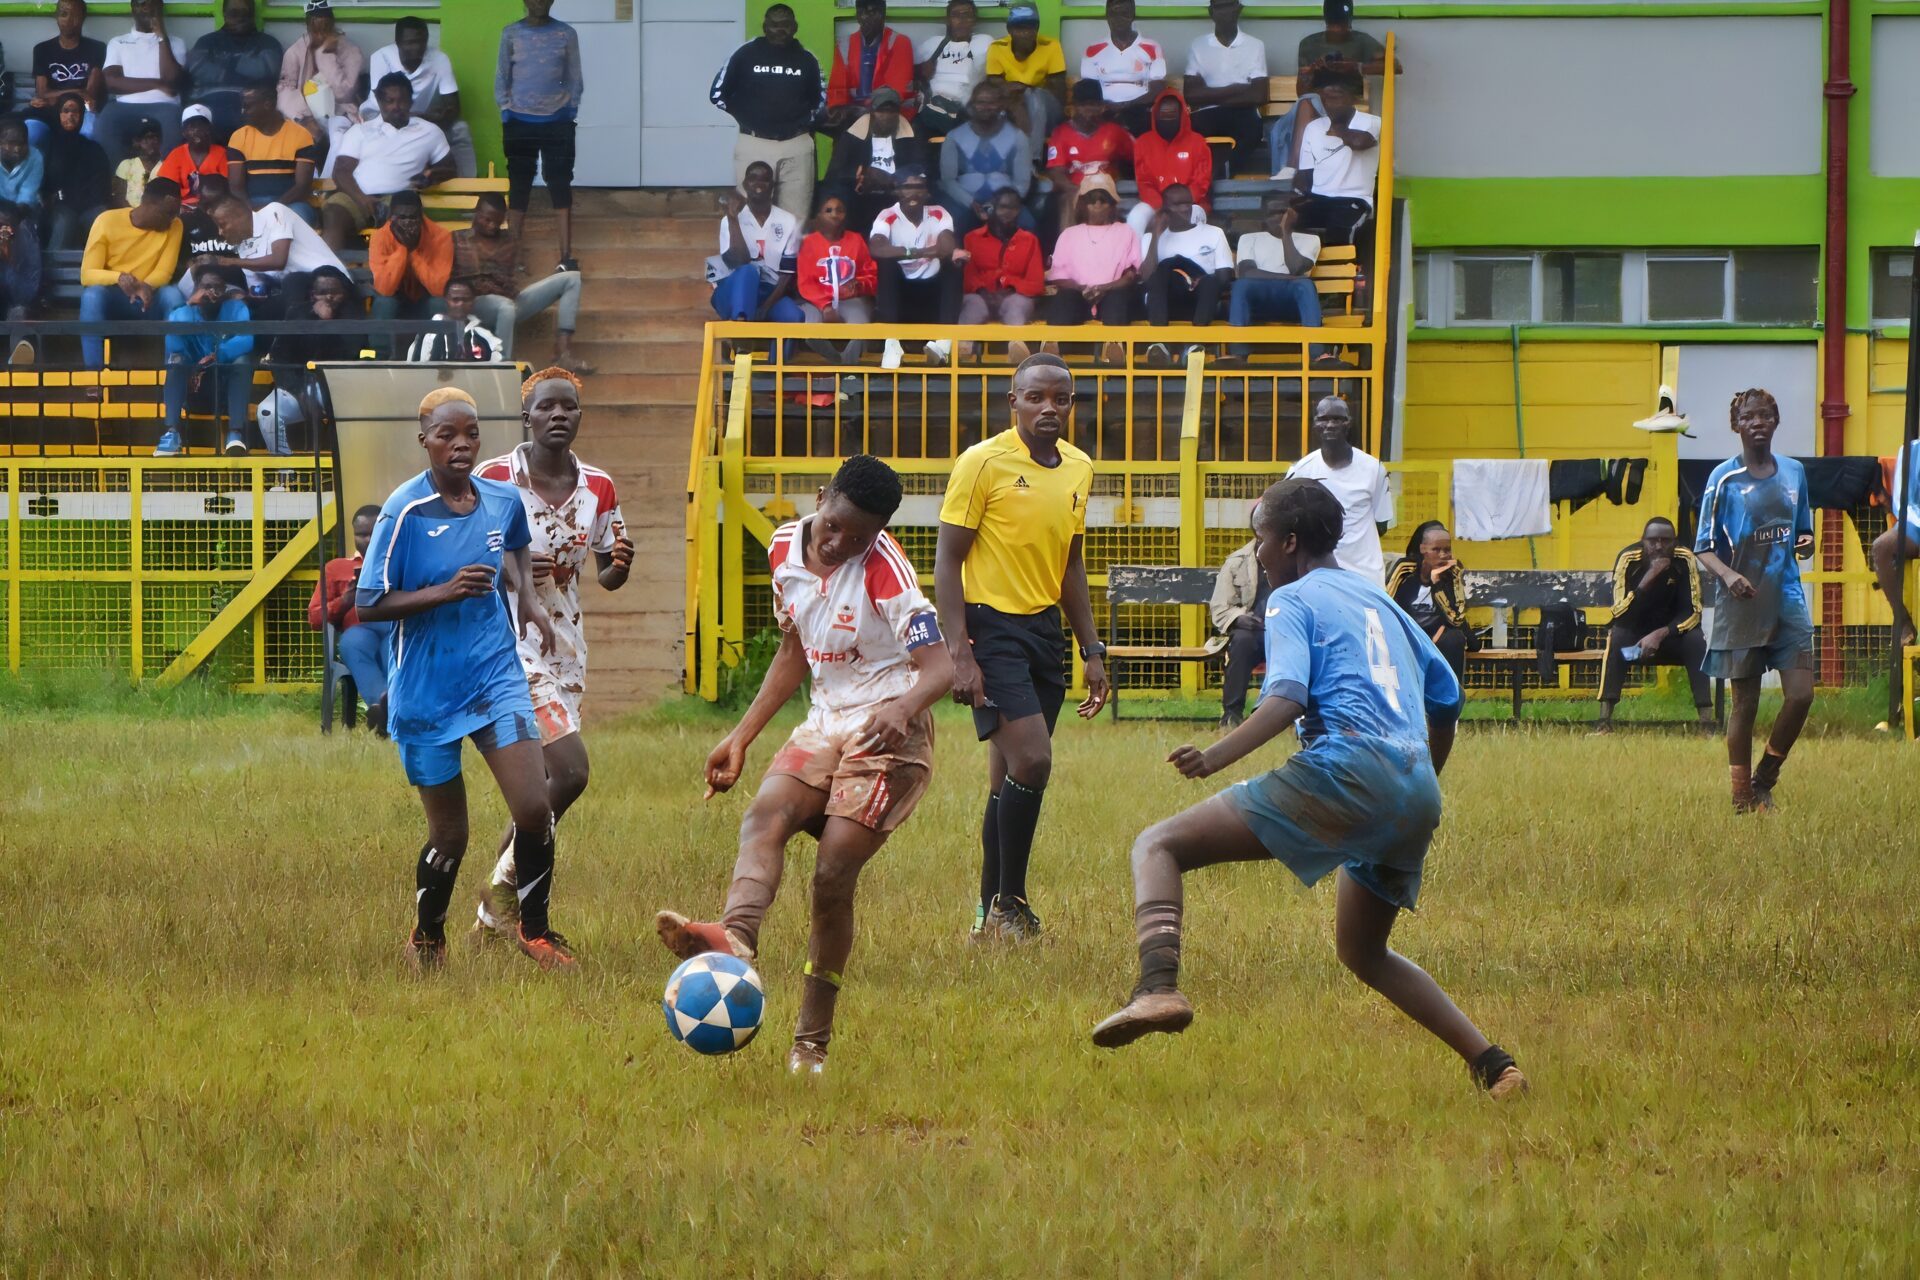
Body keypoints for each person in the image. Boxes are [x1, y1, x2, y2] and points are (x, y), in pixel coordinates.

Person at [1088, 477, 1530, 1102]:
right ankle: (1495, 1065)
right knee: (1363, 951)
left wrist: (1214, 756)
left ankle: (1156, 988)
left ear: (1289, 543)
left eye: (1261, 539)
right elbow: (1447, 699)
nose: (1257, 552)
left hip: (1347, 768)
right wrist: (1421, 778)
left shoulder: (1289, 600)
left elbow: (1287, 695)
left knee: (1159, 845)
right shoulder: (1382, 601)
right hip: (1415, 788)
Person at [659, 455, 952, 1074]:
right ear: (821, 497)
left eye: (860, 536)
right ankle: (734, 941)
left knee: (830, 874)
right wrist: (741, 736)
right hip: (825, 721)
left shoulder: (884, 571)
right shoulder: (783, 548)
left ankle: (810, 1043)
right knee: (765, 816)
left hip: (888, 731)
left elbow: (941, 670)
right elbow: (795, 648)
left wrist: (903, 706)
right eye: (835, 525)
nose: (841, 542)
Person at [353, 386, 571, 973]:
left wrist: (527, 599)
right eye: (447, 435)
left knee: (533, 808)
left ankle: (534, 930)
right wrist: (443, 592)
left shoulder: (501, 500)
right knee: (450, 835)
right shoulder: (404, 511)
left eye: (471, 433)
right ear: (423, 439)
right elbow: (368, 601)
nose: (461, 445)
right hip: (426, 692)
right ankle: (427, 937)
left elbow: (518, 548)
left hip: (494, 674)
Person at [936, 353, 1108, 941]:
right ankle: (1013, 901)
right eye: (1036, 398)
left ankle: (987, 917)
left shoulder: (1079, 467)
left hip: (1043, 632)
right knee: (1033, 760)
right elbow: (948, 560)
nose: (1049, 409)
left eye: (1060, 399)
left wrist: (1091, 648)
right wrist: (960, 653)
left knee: (1007, 776)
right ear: (1014, 403)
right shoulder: (982, 462)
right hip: (990, 629)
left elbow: (1072, 564)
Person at [472, 370, 634, 945]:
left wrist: (620, 564)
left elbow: (607, 573)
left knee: (538, 792)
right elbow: (465, 555)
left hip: (565, 642)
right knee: (571, 771)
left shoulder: (600, 488)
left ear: (579, 419)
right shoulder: (492, 478)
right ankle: (510, 907)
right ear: (528, 417)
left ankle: (494, 914)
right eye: (547, 407)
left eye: (569, 407)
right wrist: (511, 570)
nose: (558, 415)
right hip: (506, 640)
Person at [1694, 388, 1816, 813]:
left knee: (1801, 695)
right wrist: (1728, 576)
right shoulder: (1722, 479)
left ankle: (1766, 778)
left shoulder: (1795, 472)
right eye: (1748, 417)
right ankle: (1742, 798)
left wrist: (1805, 544)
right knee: (1745, 703)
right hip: (1741, 606)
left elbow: (1803, 530)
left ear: (1776, 422)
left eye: (1765, 415)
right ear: (1737, 426)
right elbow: (1703, 546)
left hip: (1787, 603)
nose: (1757, 422)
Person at [1595, 516, 1712, 733]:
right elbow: (1619, 614)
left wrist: (1660, 634)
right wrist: (1649, 576)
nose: (1659, 546)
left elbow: (1693, 612)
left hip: (1672, 645)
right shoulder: (1628, 559)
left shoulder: (1684, 559)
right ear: (1643, 540)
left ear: (1675, 542)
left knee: (1696, 641)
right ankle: (1604, 721)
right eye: (1653, 540)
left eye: (1665, 540)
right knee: (1618, 637)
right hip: (1634, 650)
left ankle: (1706, 723)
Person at [710, 4, 825, 223]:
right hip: (754, 143)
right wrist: (746, 116)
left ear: (795, 28)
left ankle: (788, 258)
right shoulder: (745, 54)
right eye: (774, 25)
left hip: (796, 145)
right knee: (750, 217)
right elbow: (717, 93)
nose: (779, 30)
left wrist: (801, 121)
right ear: (765, 26)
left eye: (785, 25)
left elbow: (820, 101)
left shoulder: (807, 59)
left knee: (796, 221)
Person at [454, 191, 589, 371]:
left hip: (506, 300)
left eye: (497, 222)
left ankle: (562, 353)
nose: (492, 226)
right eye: (487, 219)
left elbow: (508, 282)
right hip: (474, 304)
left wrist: (500, 286)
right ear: (476, 213)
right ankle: (502, 368)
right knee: (506, 307)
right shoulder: (457, 239)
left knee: (571, 279)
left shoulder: (509, 241)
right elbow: (455, 284)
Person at [496, 0, 583, 272]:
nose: (538, 3)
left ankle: (565, 256)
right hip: (519, 121)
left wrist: (569, 109)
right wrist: (506, 109)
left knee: (560, 184)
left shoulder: (565, 34)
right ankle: (513, 255)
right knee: (519, 185)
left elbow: (574, 77)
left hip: (558, 121)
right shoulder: (510, 34)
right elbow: (502, 76)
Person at [323, 72, 452, 250]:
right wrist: (362, 199)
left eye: (402, 101)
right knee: (334, 213)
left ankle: (396, 274)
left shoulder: (429, 131)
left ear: (411, 101)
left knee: (405, 217)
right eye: (389, 101)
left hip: (400, 200)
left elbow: (450, 167)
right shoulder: (360, 131)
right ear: (379, 101)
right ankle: (330, 272)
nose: (396, 107)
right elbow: (341, 172)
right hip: (357, 195)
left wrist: (431, 175)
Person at [1272, 0, 1395, 178]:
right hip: (1316, 102)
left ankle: (1293, 169)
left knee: (1305, 104)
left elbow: (1395, 66)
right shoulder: (1310, 44)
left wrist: (1355, 66)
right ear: (1327, 23)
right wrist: (1314, 70)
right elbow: (1302, 91)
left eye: (1342, 26)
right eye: (1334, 26)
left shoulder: (1361, 41)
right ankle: (1294, 172)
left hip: (1344, 104)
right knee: (1305, 103)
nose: (1338, 30)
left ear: (1349, 23)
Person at [78, 175, 184, 369]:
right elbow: (87, 275)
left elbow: (165, 271)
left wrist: (145, 286)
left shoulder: (175, 226)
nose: (172, 219)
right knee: (92, 296)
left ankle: (175, 373)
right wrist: (119, 278)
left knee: (173, 295)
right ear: (150, 204)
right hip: (116, 299)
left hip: (149, 299)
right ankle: (93, 377)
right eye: (168, 213)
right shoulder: (107, 220)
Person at [257, 264, 362, 455]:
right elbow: (280, 357)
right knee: (267, 412)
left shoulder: (353, 314)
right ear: (313, 294)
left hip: (338, 387)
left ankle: (342, 465)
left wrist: (327, 325)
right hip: (298, 385)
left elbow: (351, 353)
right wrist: (298, 390)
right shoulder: (297, 313)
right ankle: (285, 472)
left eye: (334, 292)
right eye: (323, 292)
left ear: (344, 294)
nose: (329, 297)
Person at [352, 18, 475, 180]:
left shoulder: (439, 59)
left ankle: (468, 186)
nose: (416, 48)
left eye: (421, 42)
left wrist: (426, 119)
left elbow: (453, 107)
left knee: (460, 129)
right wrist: (420, 119)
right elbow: (384, 105)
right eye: (409, 43)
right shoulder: (381, 58)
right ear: (398, 42)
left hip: (421, 118)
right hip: (379, 116)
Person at [1286, 396, 1391, 582]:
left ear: (1348, 423)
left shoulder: (1374, 469)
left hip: (1365, 576)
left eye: (1337, 419)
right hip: (1318, 577)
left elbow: (1381, 524)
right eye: (1323, 419)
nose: (1330, 425)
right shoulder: (1301, 471)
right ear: (1314, 425)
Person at [154, 261, 252, 457]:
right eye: (206, 287)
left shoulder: (236, 308)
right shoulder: (184, 311)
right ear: (196, 290)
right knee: (176, 361)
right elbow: (174, 345)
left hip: (224, 386)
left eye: (217, 287)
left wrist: (220, 354)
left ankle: (235, 435)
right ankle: (171, 434)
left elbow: (246, 341)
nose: (212, 292)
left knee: (243, 361)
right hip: (193, 387)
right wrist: (190, 304)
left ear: (225, 290)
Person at [309, 503, 391, 736]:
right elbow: (315, 617)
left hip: (392, 627)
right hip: (358, 629)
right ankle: (383, 705)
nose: (367, 540)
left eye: (374, 534)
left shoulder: (400, 562)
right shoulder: (336, 568)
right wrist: (345, 600)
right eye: (361, 534)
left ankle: (388, 708)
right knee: (353, 642)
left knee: (394, 647)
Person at [867, 169, 960, 368]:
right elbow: (877, 248)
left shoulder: (938, 212)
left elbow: (946, 247)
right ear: (897, 192)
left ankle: (944, 343)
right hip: (902, 293)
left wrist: (901, 252)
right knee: (887, 266)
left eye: (919, 188)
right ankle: (891, 344)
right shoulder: (887, 215)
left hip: (932, 291)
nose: (913, 193)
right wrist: (920, 252)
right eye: (907, 187)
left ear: (927, 192)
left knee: (953, 265)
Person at [1045, 172, 1138, 362]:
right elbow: (1058, 276)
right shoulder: (1069, 234)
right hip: (1079, 294)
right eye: (1091, 200)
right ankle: (1052, 349)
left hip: (1111, 292)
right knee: (1064, 299)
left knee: (1118, 298)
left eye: (1103, 200)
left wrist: (1104, 288)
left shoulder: (1126, 231)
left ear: (1112, 204)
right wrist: (1082, 289)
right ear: (1082, 204)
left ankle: (1114, 347)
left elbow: (1130, 275)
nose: (1097, 205)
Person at [206, 189, 343, 318]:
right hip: (299, 295)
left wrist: (230, 262)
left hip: (330, 280)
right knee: (260, 314)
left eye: (222, 224)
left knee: (293, 281)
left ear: (239, 216)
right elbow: (257, 289)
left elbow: (279, 261)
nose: (220, 232)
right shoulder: (243, 248)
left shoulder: (274, 212)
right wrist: (243, 296)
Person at [1223, 191, 1324, 365]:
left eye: (1283, 212)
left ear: (1293, 214)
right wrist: (1291, 278)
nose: (1278, 218)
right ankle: (1238, 355)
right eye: (1272, 214)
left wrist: (1286, 233)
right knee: (1242, 285)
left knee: (1305, 286)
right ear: (1263, 217)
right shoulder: (1249, 239)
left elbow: (1296, 267)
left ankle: (1317, 355)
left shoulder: (1310, 240)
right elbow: (1247, 273)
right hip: (1257, 306)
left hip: (1294, 307)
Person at [1291, 67, 1379, 264]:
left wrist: (1337, 128)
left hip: (1354, 199)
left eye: (1336, 97)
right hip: (1319, 198)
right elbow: (1305, 173)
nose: (1330, 104)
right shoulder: (1314, 128)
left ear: (1353, 97)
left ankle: (1338, 285)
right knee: (1291, 224)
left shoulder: (1372, 122)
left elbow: (1360, 143)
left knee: (1340, 231)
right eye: (1325, 98)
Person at [956, 186, 1043, 363]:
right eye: (1003, 207)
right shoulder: (972, 238)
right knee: (972, 303)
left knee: (1017, 305)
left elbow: (1036, 283)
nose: (1008, 213)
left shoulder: (1029, 240)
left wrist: (1010, 286)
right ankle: (962, 353)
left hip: (1013, 297)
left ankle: (1017, 355)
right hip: (981, 296)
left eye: (1014, 208)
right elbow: (968, 278)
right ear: (992, 208)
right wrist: (983, 291)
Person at [710, 161, 801, 326]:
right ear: (744, 185)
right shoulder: (728, 221)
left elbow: (787, 274)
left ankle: (780, 353)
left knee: (794, 317)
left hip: (768, 293)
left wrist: (766, 307)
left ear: (772, 185)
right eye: (753, 179)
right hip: (732, 292)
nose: (758, 184)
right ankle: (742, 334)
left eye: (765, 179)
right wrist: (733, 219)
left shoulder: (788, 221)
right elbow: (737, 261)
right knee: (748, 272)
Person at [1139, 183, 1232, 346]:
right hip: (1166, 300)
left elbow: (1224, 277)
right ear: (1165, 208)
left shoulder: (1214, 233)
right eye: (1177, 204)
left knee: (1210, 282)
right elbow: (1146, 278)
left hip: (1201, 297)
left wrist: (1201, 279)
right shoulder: (1149, 238)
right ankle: (1159, 343)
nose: (1185, 209)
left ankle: (1197, 344)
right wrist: (1156, 234)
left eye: (1188, 203)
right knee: (1161, 273)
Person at [824, 86, 926, 233]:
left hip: (896, 189)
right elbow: (836, 170)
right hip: (861, 189)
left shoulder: (909, 132)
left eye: (891, 112)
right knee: (839, 193)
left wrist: (893, 178)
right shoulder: (854, 133)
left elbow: (920, 165)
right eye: (881, 111)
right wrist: (863, 173)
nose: (886, 116)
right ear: (871, 111)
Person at [1183, 0, 1267, 175]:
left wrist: (1209, 94)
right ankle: (1193, 175)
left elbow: (1259, 95)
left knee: (1253, 129)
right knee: (1186, 129)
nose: (1225, 12)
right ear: (1210, 12)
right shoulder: (1198, 45)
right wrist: (1235, 89)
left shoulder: (1255, 45)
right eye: (1219, 6)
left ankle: (1223, 171)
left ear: (1239, 9)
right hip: (1208, 113)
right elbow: (1190, 95)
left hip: (1243, 113)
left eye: (1229, 5)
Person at [277, 0, 365, 166]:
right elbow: (284, 89)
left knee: (339, 141)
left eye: (325, 25)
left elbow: (344, 93)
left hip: (340, 114)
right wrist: (305, 118)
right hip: (303, 115)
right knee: (300, 141)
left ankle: (328, 186)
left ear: (332, 23)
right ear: (307, 24)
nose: (319, 31)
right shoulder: (295, 51)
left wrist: (324, 52)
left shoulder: (351, 51)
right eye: (314, 25)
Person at [938, 80, 1030, 237]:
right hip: (963, 201)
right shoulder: (954, 137)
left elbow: (1022, 182)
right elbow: (948, 180)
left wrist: (1004, 204)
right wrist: (970, 202)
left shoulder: (1017, 136)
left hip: (1006, 202)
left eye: (991, 102)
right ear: (972, 105)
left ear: (1001, 105)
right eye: (980, 102)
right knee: (951, 224)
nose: (985, 107)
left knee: (1028, 224)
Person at [99, 0, 187, 164]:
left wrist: (161, 36)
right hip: (123, 105)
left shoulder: (176, 42)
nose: (146, 8)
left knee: (174, 122)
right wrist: (157, 84)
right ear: (133, 8)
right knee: (106, 120)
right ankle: (115, 181)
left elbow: (172, 82)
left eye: (151, 3)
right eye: (141, 3)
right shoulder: (118, 42)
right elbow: (111, 82)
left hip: (165, 106)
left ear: (160, 7)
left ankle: (167, 180)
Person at [1386, 520, 1473, 684]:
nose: (1442, 555)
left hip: (1440, 632)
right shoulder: (1405, 570)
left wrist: (1437, 583)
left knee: (1454, 639)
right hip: (1409, 631)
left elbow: (1457, 618)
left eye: (1447, 550)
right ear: (1422, 549)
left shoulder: (1454, 572)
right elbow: (1386, 602)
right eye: (1436, 550)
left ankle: (1449, 698)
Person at [794, 192, 876, 365]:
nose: (834, 214)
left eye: (840, 210)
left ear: (845, 216)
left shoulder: (856, 240)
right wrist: (825, 306)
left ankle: (847, 366)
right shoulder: (808, 243)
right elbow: (805, 281)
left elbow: (870, 273)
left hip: (849, 299)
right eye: (828, 210)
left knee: (861, 326)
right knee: (810, 329)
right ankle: (838, 361)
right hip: (816, 301)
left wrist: (860, 285)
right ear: (818, 217)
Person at [1044, 79, 1133, 233]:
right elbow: (1056, 172)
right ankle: (1068, 251)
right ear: (1074, 107)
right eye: (1084, 105)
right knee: (1067, 200)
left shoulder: (1114, 131)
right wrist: (1078, 191)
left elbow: (1138, 157)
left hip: (1107, 190)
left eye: (1094, 105)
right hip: (1075, 191)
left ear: (1101, 107)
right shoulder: (1061, 133)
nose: (1089, 110)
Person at [185, 0, 281, 142]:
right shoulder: (206, 42)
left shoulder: (268, 43)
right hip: (211, 105)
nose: (240, 17)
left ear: (253, 15)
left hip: (251, 106)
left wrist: (223, 66)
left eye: (245, 13)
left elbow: (267, 72)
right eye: (234, 13)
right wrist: (242, 67)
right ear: (224, 14)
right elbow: (197, 71)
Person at [369, 188, 450, 351]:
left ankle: (440, 353)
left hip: (425, 300)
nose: (407, 223)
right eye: (401, 217)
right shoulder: (380, 237)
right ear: (391, 217)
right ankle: (381, 358)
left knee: (439, 303)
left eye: (413, 217)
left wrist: (413, 254)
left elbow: (439, 289)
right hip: (395, 300)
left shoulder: (441, 237)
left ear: (421, 217)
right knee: (384, 303)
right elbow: (385, 289)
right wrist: (403, 249)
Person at [984, 3, 1066, 164]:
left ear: (1036, 29)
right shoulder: (997, 48)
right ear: (1010, 30)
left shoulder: (1051, 46)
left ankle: (1032, 161)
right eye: (1019, 28)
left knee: (1033, 96)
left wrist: (1024, 90)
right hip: (1013, 106)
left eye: (1030, 28)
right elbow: (995, 88)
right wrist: (1017, 98)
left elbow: (1058, 92)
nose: (1025, 33)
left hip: (1048, 111)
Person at [227, 82, 318, 224]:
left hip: (290, 204)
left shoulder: (301, 135)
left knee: (298, 218)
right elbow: (236, 187)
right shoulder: (238, 137)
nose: (243, 111)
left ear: (267, 104)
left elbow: (302, 187)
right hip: (251, 204)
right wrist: (250, 209)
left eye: (248, 106)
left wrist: (271, 208)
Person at [1126, 89, 1211, 236]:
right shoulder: (1143, 143)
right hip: (1156, 205)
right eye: (1163, 115)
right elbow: (1144, 182)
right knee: (1137, 215)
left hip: (1191, 204)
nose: (1167, 119)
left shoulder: (1197, 142)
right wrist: (1161, 206)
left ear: (1182, 115)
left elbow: (1201, 182)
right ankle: (1137, 258)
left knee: (1195, 217)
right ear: (1155, 115)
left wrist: (1179, 204)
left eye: (1172, 115)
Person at [825, 0, 916, 133]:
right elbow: (837, 89)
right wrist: (839, 111)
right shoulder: (845, 44)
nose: (868, 17)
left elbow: (897, 92)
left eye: (874, 12)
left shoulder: (900, 42)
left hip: (890, 113)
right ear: (857, 15)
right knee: (824, 118)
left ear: (883, 14)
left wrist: (865, 111)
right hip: (853, 113)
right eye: (863, 12)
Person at [26, 0, 106, 147]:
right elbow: (42, 94)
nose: (69, 20)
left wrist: (56, 95)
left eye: (75, 15)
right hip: (49, 111)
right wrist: (77, 91)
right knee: (32, 132)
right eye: (64, 14)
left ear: (83, 18)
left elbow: (90, 94)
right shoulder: (42, 49)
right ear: (56, 17)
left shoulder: (97, 49)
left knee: (89, 132)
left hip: (82, 111)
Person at [1080, 0, 1166, 137]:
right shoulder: (1092, 49)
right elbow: (1088, 89)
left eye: (1124, 14)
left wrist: (1128, 105)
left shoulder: (1152, 47)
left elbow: (1158, 87)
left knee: (1144, 119)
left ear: (1133, 15)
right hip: (1104, 110)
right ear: (1107, 16)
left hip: (1139, 110)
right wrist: (1108, 106)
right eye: (1114, 14)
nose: (1119, 19)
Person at [43, 93, 115, 251]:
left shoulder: (94, 149)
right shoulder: (47, 146)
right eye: (66, 110)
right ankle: (56, 270)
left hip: (89, 206)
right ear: (58, 114)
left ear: (82, 116)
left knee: (102, 217)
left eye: (75, 111)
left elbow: (101, 186)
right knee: (64, 220)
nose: (70, 115)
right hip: (58, 207)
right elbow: (43, 185)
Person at [915, 0, 993, 140]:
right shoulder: (933, 44)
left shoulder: (985, 42)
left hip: (967, 106)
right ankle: (961, 133)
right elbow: (908, 71)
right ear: (948, 20)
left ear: (974, 20)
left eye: (967, 15)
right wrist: (921, 71)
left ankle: (959, 132)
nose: (962, 20)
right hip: (936, 105)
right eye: (956, 15)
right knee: (924, 117)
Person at [1871, 436, 1920, 649]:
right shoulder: (1910, 451)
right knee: (1882, 546)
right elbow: (1903, 502)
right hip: (1916, 522)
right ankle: (1903, 622)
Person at [153, 103, 230, 209]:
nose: (197, 131)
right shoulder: (176, 154)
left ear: (209, 130)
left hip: (213, 206)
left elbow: (226, 188)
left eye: (201, 126)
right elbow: (167, 187)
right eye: (191, 127)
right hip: (181, 206)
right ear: (184, 132)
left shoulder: (221, 153)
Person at [406, 279, 502, 363]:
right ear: (446, 300)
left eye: (466, 300)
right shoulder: (427, 332)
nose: (460, 304)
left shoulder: (483, 334)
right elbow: (414, 369)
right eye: (455, 300)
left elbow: (498, 367)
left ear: (473, 301)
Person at [0, 204, 45, 350]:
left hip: (20, 302)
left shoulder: (25, 234)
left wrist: (8, 257)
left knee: (18, 313)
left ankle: (18, 366)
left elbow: (25, 295)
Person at [112, 115, 164, 207]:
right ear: (136, 142)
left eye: (155, 137)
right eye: (146, 138)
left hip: (156, 216)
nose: (151, 142)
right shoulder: (127, 165)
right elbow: (119, 197)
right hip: (128, 214)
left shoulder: (167, 167)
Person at [0, 121, 46, 217]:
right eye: (11, 143)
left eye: (22, 143)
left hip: (25, 211)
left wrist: (12, 218)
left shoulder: (35, 157)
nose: (17, 149)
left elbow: (27, 197)